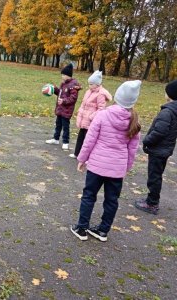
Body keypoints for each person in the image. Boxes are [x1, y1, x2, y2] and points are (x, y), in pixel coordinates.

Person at [70, 80, 142, 242]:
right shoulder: (134, 121)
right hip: (117, 169)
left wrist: (82, 158)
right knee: (112, 200)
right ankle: (103, 231)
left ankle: (82, 228)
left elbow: (90, 140)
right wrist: (127, 167)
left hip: (97, 166)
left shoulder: (103, 115)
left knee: (89, 195)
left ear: (117, 97)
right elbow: (132, 149)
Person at [135, 80, 177, 215]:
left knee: (154, 177)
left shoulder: (167, 112)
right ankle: (151, 199)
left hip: (158, 150)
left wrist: (147, 140)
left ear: (170, 95)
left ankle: (152, 203)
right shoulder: (173, 110)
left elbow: (159, 132)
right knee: (156, 175)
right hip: (164, 150)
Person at [69, 71, 112, 158]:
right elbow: (83, 104)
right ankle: (77, 153)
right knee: (80, 137)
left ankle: (88, 157)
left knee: (89, 140)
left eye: (92, 84)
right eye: (89, 84)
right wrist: (80, 111)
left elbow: (101, 109)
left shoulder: (100, 94)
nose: (90, 86)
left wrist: (91, 117)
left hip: (91, 121)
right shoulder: (88, 91)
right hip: (84, 120)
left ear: (98, 84)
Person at [45, 63, 82, 150]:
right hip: (60, 109)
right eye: (62, 74)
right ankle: (56, 139)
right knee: (58, 124)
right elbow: (60, 93)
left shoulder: (73, 86)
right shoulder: (63, 84)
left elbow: (73, 98)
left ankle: (65, 142)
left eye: (63, 75)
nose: (62, 76)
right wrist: (54, 89)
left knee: (65, 126)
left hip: (67, 110)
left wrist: (64, 101)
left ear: (68, 75)